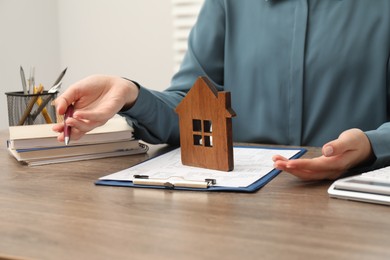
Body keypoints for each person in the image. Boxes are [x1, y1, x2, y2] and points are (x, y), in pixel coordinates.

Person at [53, 0, 390, 181]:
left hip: (355, 203)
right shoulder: (228, 3)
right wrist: (131, 94)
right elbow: (191, 104)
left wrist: (371, 145)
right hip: (235, 210)